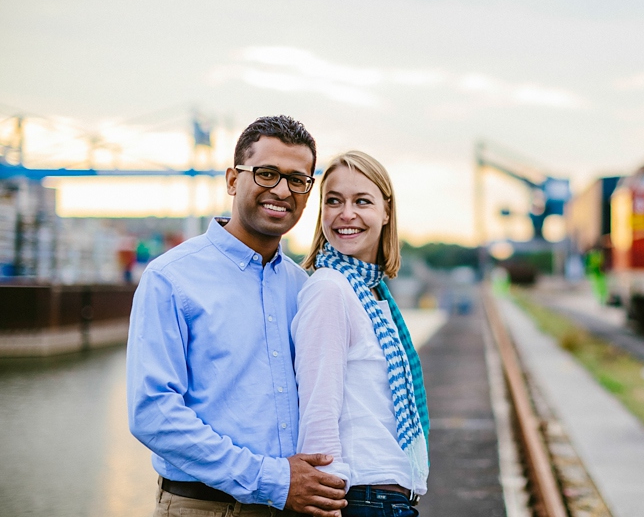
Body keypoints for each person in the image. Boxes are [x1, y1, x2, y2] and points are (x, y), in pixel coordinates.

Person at [126, 115, 347, 517]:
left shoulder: (304, 289)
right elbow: (153, 413)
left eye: (297, 180)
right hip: (203, 507)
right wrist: (274, 480)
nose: (282, 190)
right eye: (266, 174)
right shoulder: (170, 278)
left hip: (294, 507)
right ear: (232, 180)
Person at [292, 151, 429, 517]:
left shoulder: (372, 293)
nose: (346, 214)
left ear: (386, 212)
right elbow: (318, 408)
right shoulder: (330, 289)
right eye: (333, 201)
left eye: (361, 201)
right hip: (358, 500)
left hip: (384, 500)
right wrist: (325, 503)